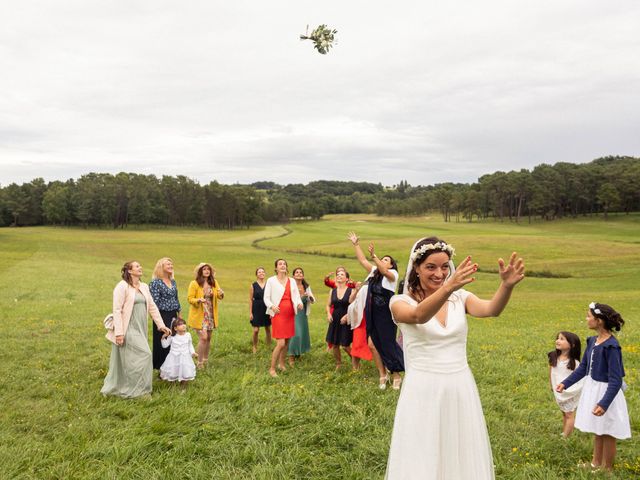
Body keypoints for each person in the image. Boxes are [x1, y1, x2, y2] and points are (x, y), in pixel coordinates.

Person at [386, 237, 525, 479]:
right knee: (422, 450)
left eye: (444, 266)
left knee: (459, 448)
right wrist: (448, 287)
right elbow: (419, 316)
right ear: (416, 267)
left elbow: (491, 309)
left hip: (459, 385)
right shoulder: (399, 302)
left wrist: (507, 286)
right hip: (423, 388)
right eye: (431, 266)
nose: (439, 273)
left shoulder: (461, 298)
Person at [556, 303, 630, 473]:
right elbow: (583, 368)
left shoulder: (611, 346)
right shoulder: (592, 341)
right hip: (593, 389)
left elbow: (616, 380)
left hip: (606, 393)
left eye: (589, 316)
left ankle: (608, 469)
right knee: (598, 429)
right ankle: (596, 463)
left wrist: (604, 403)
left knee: (607, 432)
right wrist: (566, 383)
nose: (586, 319)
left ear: (599, 321)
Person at [102, 261, 171, 399]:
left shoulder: (144, 286)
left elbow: (152, 306)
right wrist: (119, 333)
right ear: (129, 271)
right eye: (137, 266)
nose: (140, 268)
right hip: (128, 327)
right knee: (145, 355)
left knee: (133, 358)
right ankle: (140, 391)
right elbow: (117, 310)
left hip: (141, 326)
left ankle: (134, 386)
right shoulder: (122, 286)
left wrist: (161, 325)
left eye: (140, 265)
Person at [347, 231, 404, 389]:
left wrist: (375, 256)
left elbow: (384, 271)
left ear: (391, 265)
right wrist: (356, 244)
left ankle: (396, 374)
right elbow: (362, 260)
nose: (382, 261)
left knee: (387, 343)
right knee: (372, 345)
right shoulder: (374, 272)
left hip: (385, 314)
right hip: (371, 312)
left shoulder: (392, 274)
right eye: (382, 259)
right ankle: (382, 375)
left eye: (386, 260)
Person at [263, 259, 303, 377]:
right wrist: (272, 306)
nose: (282, 265)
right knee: (280, 343)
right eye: (280, 264)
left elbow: (296, 296)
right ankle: (272, 369)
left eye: (284, 264)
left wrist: (299, 303)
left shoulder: (291, 280)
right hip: (278, 314)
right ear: (276, 268)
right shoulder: (271, 280)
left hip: (290, 314)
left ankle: (281, 364)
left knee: (287, 341)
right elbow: (266, 298)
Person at [187, 263, 224, 369]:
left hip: (210, 314)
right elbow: (190, 299)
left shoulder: (214, 282)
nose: (207, 271)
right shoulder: (194, 283)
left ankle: (205, 359)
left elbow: (219, 295)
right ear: (200, 271)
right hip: (199, 315)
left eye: (208, 269)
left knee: (208, 338)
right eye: (204, 269)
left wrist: (221, 293)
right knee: (203, 338)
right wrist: (198, 300)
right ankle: (199, 362)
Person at [548, 331, 584, 438]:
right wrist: (551, 385)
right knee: (564, 412)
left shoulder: (574, 362)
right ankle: (565, 431)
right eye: (558, 338)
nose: (558, 341)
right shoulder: (554, 356)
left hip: (570, 391)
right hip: (558, 390)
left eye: (562, 339)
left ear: (572, 345)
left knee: (569, 414)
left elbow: (580, 377)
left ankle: (565, 437)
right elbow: (551, 372)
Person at [149, 257, 182, 371]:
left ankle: (172, 367)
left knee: (173, 340)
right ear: (161, 267)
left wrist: (179, 313)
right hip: (161, 315)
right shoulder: (155, 283)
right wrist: (158, 320)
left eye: (171, 264)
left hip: (173, 314)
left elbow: (176, 298)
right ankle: (161, 369)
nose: (171, 266)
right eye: (168, 264)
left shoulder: (173, 281)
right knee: (163, 340)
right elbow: (153, 302)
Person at [325, 267, 358, 370]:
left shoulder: (351, 291)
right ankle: (338, 363)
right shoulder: (333, 291)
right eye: (338, 274)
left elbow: (355, 306)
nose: (339, 276)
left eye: (342, 275)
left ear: (347, 279)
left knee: (345, 345)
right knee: (334, 344)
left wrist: (347, 316)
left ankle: (355, 363)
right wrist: (328, 314)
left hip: (346, 319)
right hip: (334, 319)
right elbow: (328, 305)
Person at [288, 267, 315, 365]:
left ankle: (298, 354)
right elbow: (289, 299)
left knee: (302, 334)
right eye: (296, 272)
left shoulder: (306, 286)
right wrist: (301, 297)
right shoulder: (290, 286)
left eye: (300, 272)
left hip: (303, 313)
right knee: (296, 334)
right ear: (293, 275)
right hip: (293, 313)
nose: (299, 274)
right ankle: (291, 356)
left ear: (303, 275)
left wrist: (310, 298)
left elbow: (312, 299)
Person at [160, 318, 197, 389]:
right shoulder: (172, 337)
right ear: (175, 328)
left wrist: (193, 352)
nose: (183, 326)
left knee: (185, 371)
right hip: (173, 357)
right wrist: (163, 338)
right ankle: (172, 386)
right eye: (180, 324)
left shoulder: (188, 335)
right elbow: (165, 346)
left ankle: (183, 387)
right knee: (173, 371)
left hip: (185, 357)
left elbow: (190, 345)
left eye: (184, 324)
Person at [249, 267, 272, 353]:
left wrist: (271, 311)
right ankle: (254, 346)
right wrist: (250, 312)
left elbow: (271, 297)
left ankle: (269, 347)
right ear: (256, 274)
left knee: (268, 328)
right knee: (256, 330)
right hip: (257, 307)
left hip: (267, 307)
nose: (261, 273)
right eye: (259, 272)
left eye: (263, 272)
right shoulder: (253, 285)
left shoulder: (269, 284)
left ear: (265, 273)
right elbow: (251, 299)